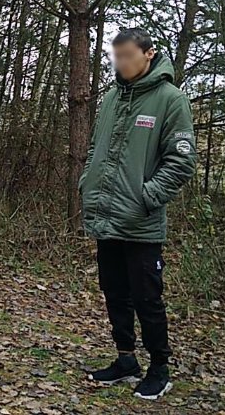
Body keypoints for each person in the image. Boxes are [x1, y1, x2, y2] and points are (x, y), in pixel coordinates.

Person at [79, 28, 197, 400]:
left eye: (129, 55)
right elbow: (96, 148)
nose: (122, 63)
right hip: (106, 215)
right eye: (117, 56)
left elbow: (181, 161)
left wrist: (146, 197)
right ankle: (125, 359)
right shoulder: (112, 98)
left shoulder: (171, 99)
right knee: (114, 291)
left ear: (149, 54)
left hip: (141, 222)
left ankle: (159, 368)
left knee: (147, 298)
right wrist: (88, 182)